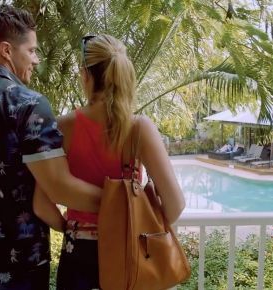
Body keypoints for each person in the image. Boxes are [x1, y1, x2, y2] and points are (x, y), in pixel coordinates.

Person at [33, 34, 186, 290]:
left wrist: (73, 230)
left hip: (77, 257)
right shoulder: (139, 129)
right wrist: (140, 225)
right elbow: (175, 204)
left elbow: (41, 205)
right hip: (127, 255)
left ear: (85, 75)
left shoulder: (63, 127)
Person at [0, 5, 104, 290]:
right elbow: (60, 187)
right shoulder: (27, 104)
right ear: (6, 50)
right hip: (18, 266)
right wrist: (126, 202)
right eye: (32, 50)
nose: (36, 60)